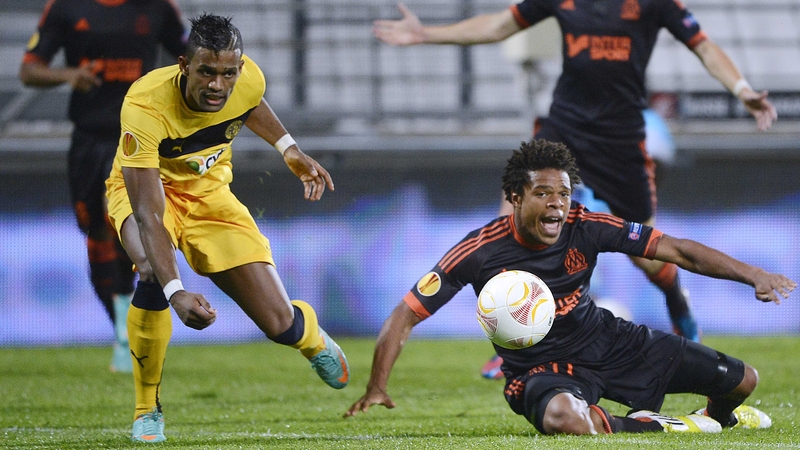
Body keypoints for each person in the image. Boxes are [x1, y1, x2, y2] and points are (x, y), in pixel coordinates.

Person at [373, 1, 779, 377]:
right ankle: (512, 342)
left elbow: (703, 46)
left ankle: (677, 301)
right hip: (564, 128)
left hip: (620, 142)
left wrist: (742, 89)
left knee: (648, 255)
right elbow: (500, 25)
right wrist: (427, 34)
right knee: (509, 230)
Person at [345, 139, 795, 436]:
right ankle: (663, 425)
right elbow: (406, 314)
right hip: (541, 369)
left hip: (608, 342)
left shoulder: (587, 225)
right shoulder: (478, 251)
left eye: (563, 193)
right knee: (567, 420)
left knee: (743, 381)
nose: (557, 204)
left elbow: (677, 250)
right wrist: (376, 385)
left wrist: (753, 274)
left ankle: (716, 418)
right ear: (516, 198)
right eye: (543, 193)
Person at [104, 13, 349, 443]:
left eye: (228, 73)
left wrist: (288, 149)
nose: (218, 85)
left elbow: (250, 103)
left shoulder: (248, 78)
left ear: (240, 67)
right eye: (206, 72)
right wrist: (176, 292)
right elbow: (148, 215)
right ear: (184, 65)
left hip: (209, 194)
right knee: (150, 267)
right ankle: (147, 411)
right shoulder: (144, 104)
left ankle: (308, 335)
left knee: (279, 324)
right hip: (147, 190)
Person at [19, 0, 187, 373]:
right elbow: (29, 70)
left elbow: (191, 57)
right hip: (90, 138)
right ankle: (122, 326)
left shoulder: (158, 7)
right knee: (96, 231)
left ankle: (135, 329)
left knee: (130, 224)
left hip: (139, 136)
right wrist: (70, 75)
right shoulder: (65, 7)